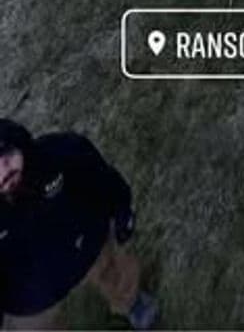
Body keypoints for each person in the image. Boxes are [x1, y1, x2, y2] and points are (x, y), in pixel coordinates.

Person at [0, 120, 158, 330]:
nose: (4, 171)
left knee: (113, 271)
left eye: (7, 156)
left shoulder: (59, 154)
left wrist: (121, 213)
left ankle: (130, 301)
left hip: (86, 247)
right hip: (31, 298)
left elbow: (101, 177)